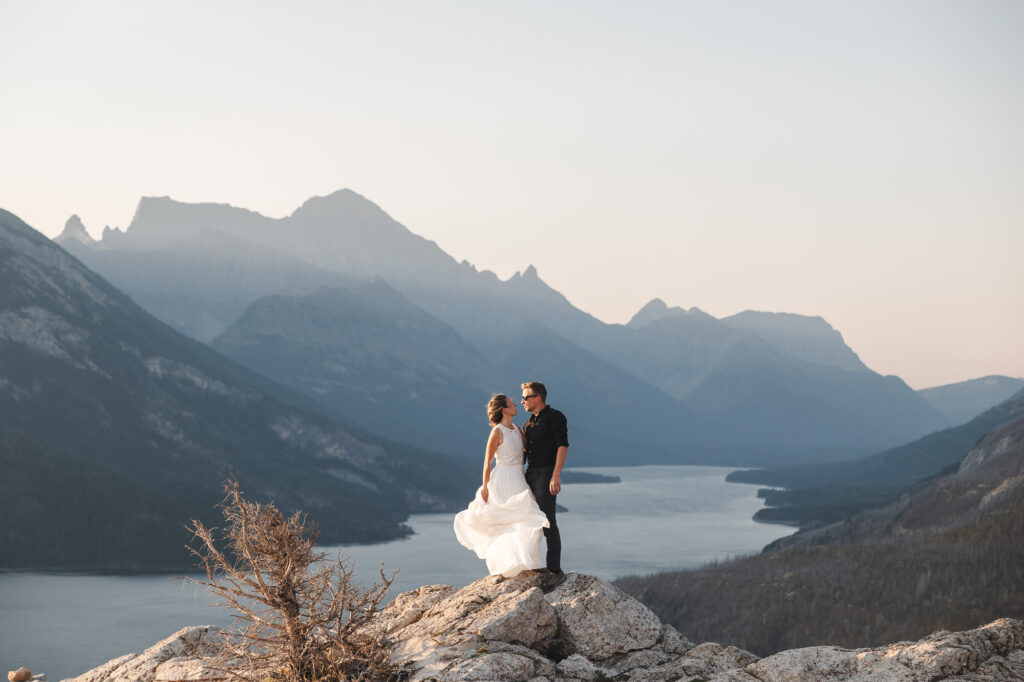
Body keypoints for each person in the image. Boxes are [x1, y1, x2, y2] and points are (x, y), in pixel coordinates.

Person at [453, 394, 549, 578]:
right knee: (506, 522)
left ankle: (526, 561)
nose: (516, 404)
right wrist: (485, 487)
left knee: (528, 517)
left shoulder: (517, 429)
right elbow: (487, 463)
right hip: (503, 479)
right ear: (505, 410)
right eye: (512, 403)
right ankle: (507, 565)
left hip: (519, 477)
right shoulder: (497, 432)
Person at [521, 381, 569, 593]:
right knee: (527, 519)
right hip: (530, 474)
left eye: (526, 397)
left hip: (546, 473)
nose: (522, 401)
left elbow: (562, 445)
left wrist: (555, 475)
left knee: (548, 521)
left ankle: (555, 571)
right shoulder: (529, 423)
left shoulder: (555, 417)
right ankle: (531, 563)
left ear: (537, 398)